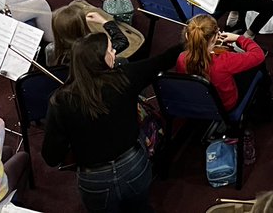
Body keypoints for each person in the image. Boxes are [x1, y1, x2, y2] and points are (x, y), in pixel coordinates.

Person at [43, 33, 183, 213]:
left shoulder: (60, 101)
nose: (115, 51)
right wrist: (189, 40)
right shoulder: (125, 77)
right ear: (100, 59)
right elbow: (162, 61)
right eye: (111, 49)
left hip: (94, 179)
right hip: (134, 166)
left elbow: (51, 157)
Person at [176, 15, 265, 112]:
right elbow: (259, 55)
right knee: (259, 67)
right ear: (214, 39)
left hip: (201, 103)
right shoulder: (225, 61)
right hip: (225, 106)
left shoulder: (181, 58)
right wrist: (239, 38)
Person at [49, 0, 145, 67]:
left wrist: (78, 21)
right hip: (103, 83)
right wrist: (105, 22)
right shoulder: (95, 50)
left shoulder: (57, 54)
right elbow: (122, 41)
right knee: (122, 61)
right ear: (82, 27)